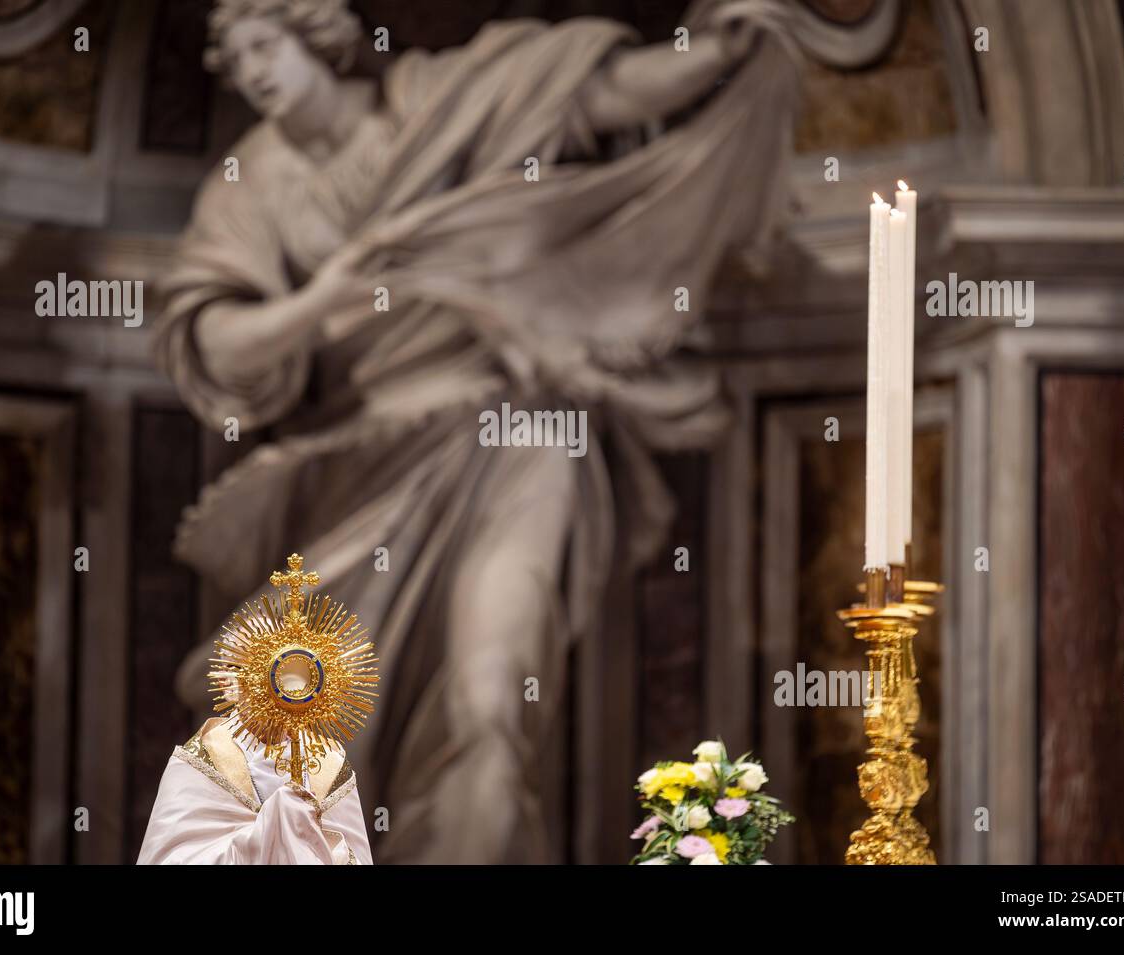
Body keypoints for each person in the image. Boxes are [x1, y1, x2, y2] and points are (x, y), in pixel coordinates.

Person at [155, 0, 798, 862]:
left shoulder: (437, 98)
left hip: (523, 434)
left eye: (265, 47)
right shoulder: (253, 180)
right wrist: (322, 299)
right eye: (235, 62)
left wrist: (712, 52)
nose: (255, 73)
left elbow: (596, 93)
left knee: (490, 710)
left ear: (317, 35)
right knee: (278, 737)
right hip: (366, 463)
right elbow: (208, 336)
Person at [138, 718, 372, 864]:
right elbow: (168, 859)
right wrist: (261, 839)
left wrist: (311, 843)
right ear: (229, 682)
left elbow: (357, 857)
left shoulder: (329, 764)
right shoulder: (199, 759)